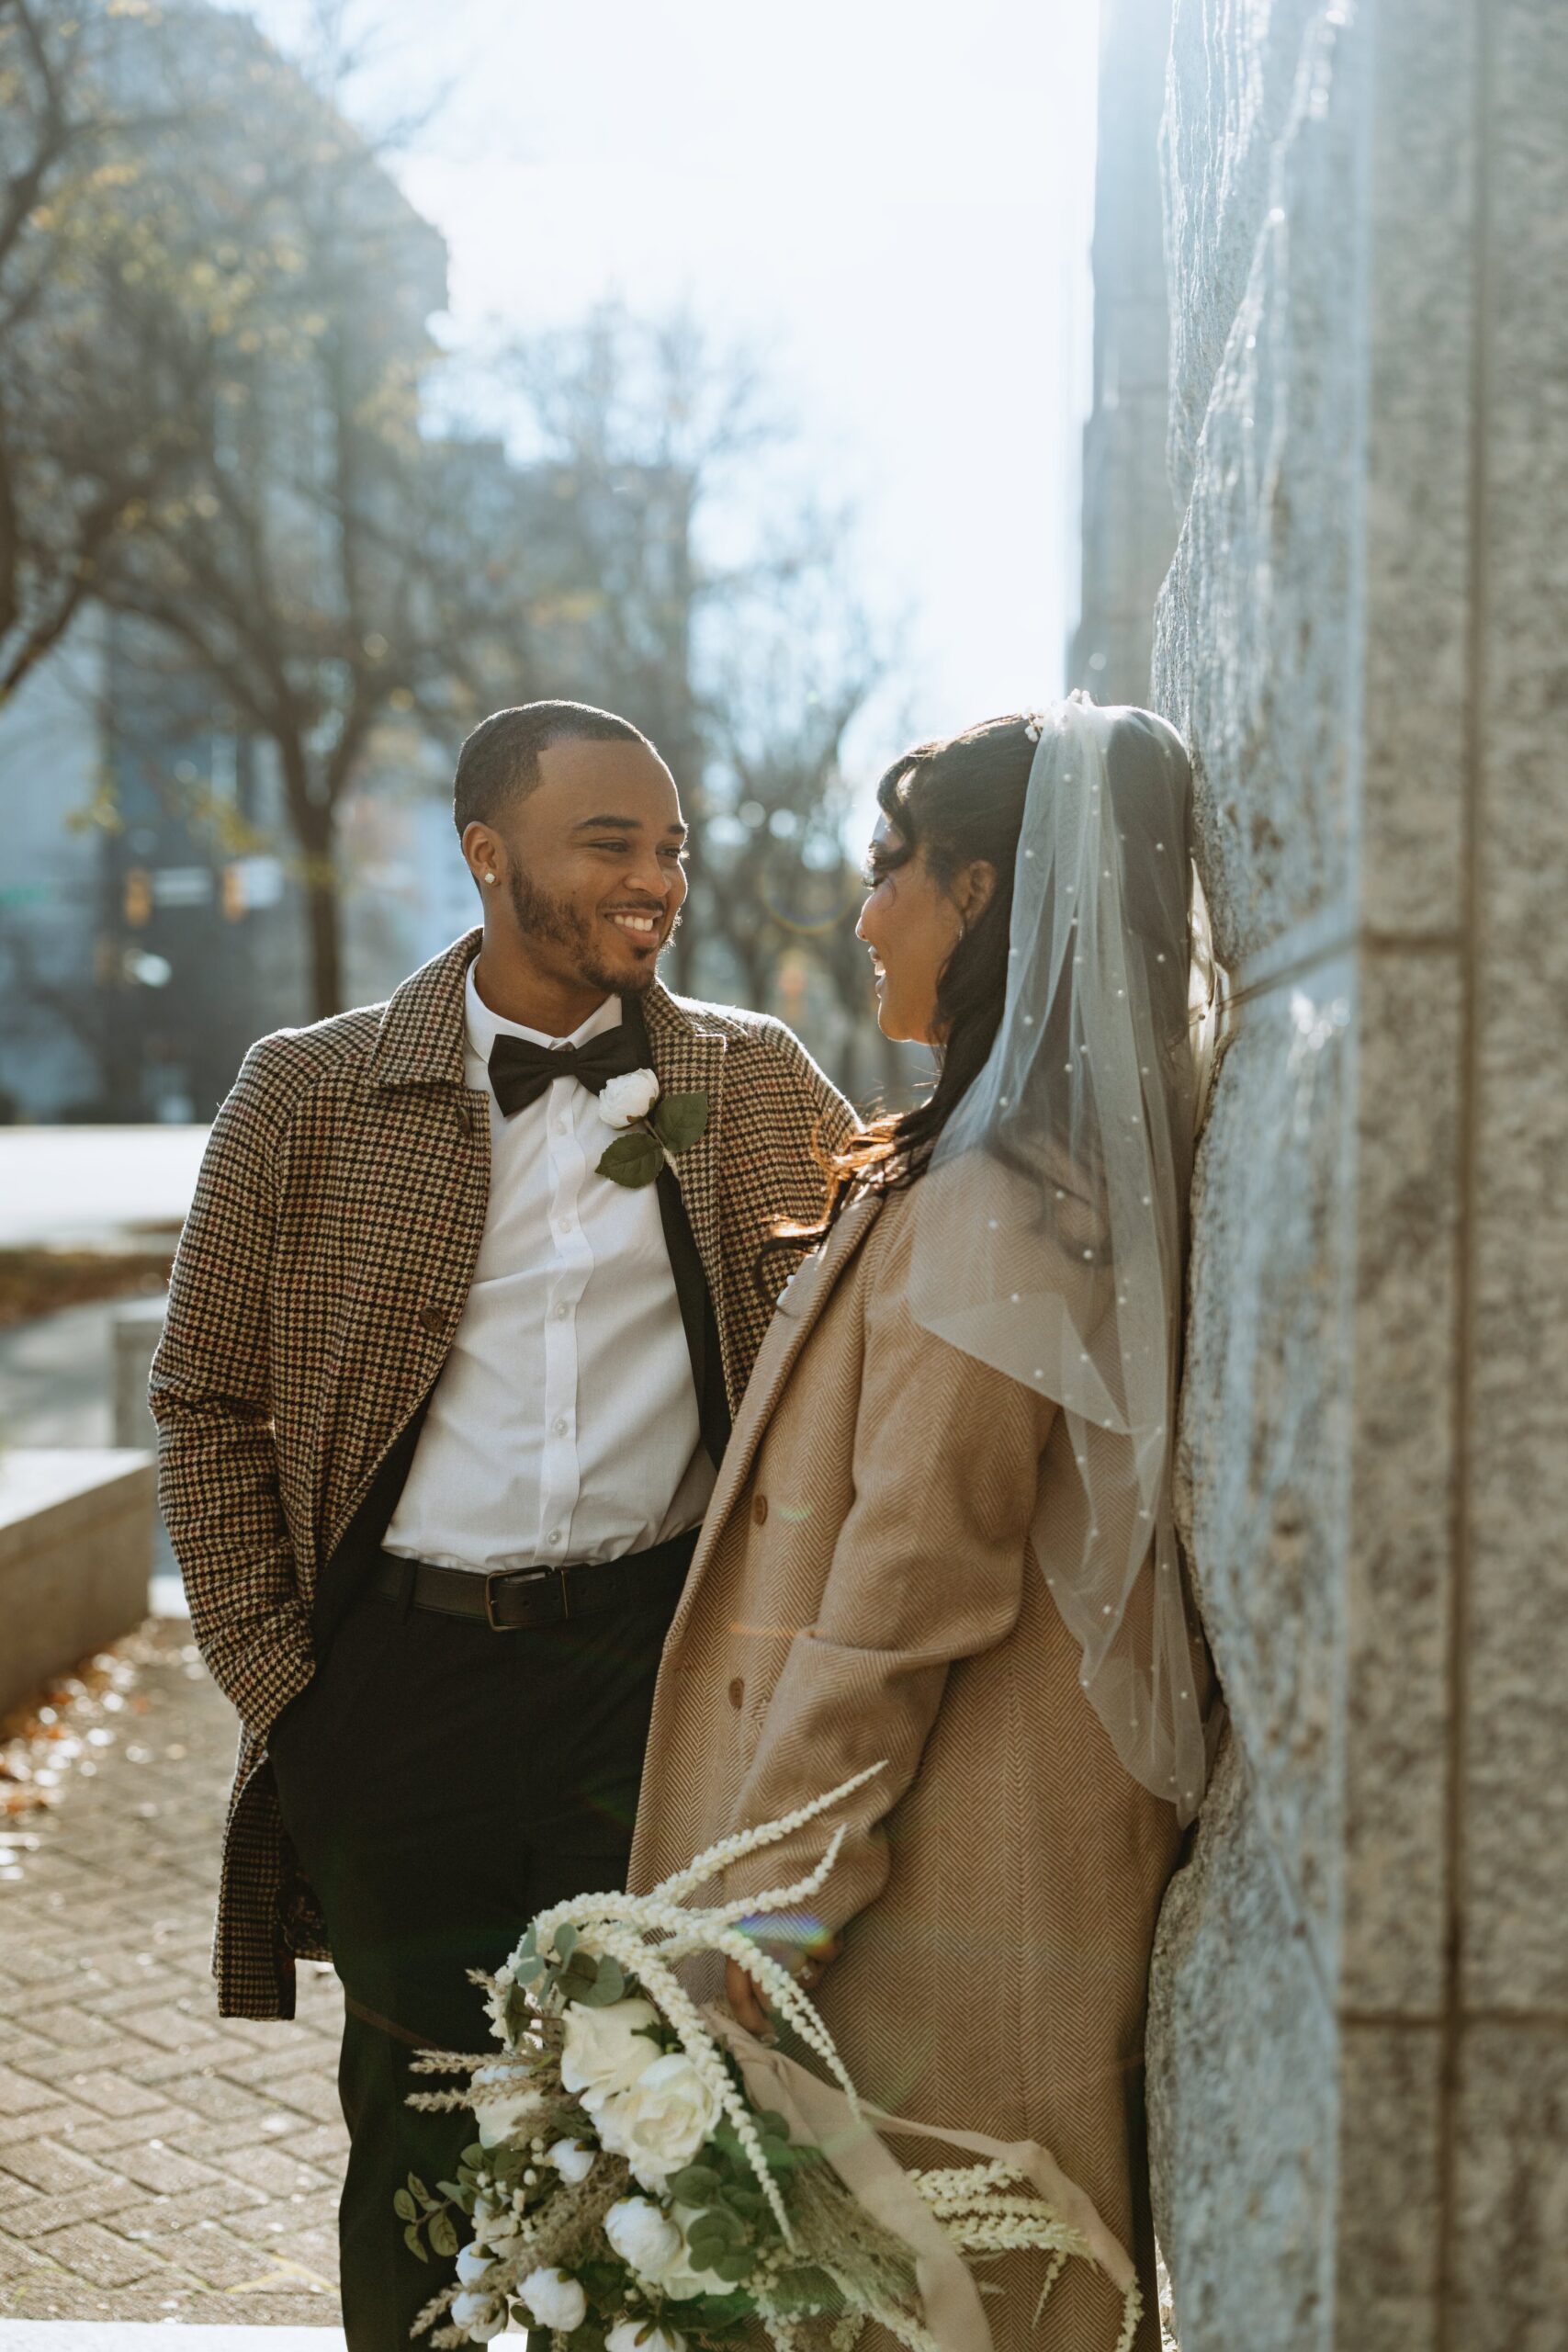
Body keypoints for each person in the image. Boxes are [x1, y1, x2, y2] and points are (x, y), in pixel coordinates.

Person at [151, 700, 856, 2351]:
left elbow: (871, 1354)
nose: (654, 881)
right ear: (487, 853)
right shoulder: (308, 1094)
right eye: (609, 842)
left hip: (658, 1687)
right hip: (399, 1692)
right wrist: (287, 1691)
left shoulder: (746, 1083)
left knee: (671, 2146)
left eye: (669, 847)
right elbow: (205, 1399)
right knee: (423, 2134)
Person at [629, 695, 1216, 2351]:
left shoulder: (1007, 1209)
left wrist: (766, 1919)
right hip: (931, 1860)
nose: (864, 907)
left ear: (982, 902)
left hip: (951, 1896)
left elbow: (907, 1595)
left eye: (896, 867)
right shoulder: (976, 1174)